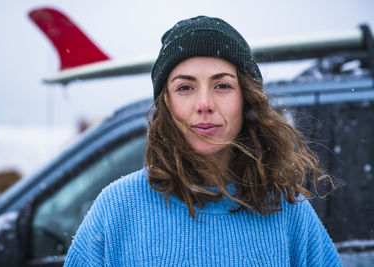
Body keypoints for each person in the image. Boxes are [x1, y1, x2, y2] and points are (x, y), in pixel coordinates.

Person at [64, 16, 342, 266]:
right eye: (185, 87)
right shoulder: (118, 209)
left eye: (222, 85)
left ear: (246, 97)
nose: (205, 104)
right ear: (167, 105)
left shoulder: (287, 211)